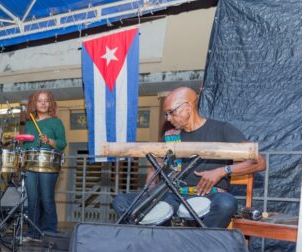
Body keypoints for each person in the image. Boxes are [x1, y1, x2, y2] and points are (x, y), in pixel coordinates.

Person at [112, 86, 266, 228]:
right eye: (166, 114)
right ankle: (161, 237)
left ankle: (200, 241)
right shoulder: (170, 136)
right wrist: (150, 192)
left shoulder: (222, 129)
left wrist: (222, 171)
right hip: (172, 195)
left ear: (187, 106)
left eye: (171, 112)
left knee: (226, 204)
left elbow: (259, 162)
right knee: (121, 202)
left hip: (210, 195)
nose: (168, 118)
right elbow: (155, 168)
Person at [22, 90, 67, 239]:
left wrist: (49, 140)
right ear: (34, 104)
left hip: (48, 164)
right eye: (39, 100)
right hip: (30, 164)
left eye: (46, 100)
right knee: (33, 200)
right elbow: (26, 145)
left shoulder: (56, 122)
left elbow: (62, 143)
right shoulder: (30, 123)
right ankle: (33, 232)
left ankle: (50, 232)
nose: (43, 103)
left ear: (50, 104)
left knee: (47, 199)